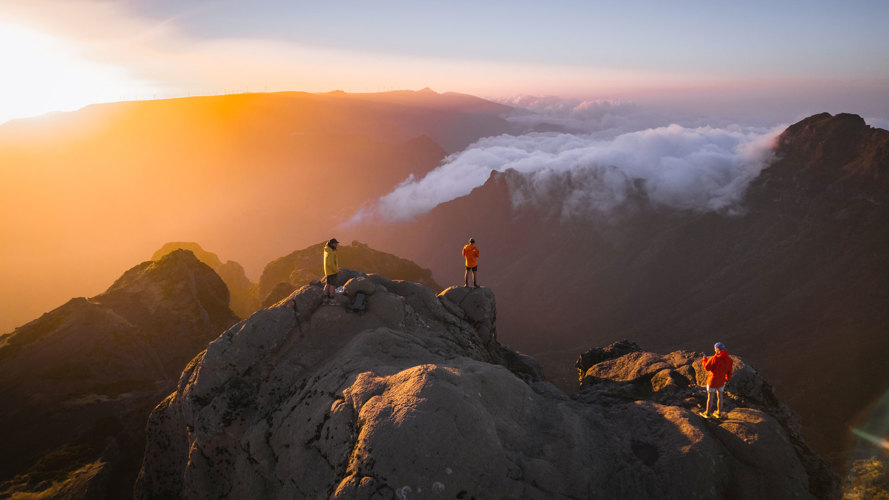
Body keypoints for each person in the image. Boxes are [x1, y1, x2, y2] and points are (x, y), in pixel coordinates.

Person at [701, 342, 733, 418]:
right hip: (721, 381)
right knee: (720, 396)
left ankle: (707, 414)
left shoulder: (714, 358)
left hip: (712, 381)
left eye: (715, 349)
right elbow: (729, 372)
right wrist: (727, 379)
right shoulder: (729, 360)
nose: (715, 350)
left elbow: (706, 367)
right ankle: (718, 413)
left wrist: (704, 358)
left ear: (717, 349)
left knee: (710, 397)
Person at [323, 238, 339, 305]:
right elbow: (330, 263)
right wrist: (336, 270)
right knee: (333, 285)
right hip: (332, 271)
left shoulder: (327, 250)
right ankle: (332, 300)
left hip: (328, 271)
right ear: (332, 244)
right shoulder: (331, 252)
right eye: (335, 244)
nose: (336, 245)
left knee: (328, 284)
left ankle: (324, 298)